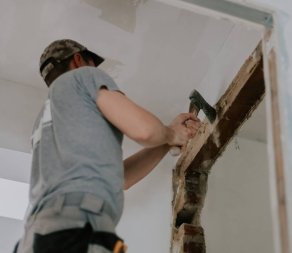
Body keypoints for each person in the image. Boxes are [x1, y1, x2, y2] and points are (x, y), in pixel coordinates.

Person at [14, 39, 200, 253]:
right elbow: (145, 130)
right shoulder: (83, 76)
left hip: (37, 237)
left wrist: (168, 141)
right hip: (74, 228)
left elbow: (122, 178)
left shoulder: (46, 121)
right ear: (77, 60)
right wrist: (170, 132)